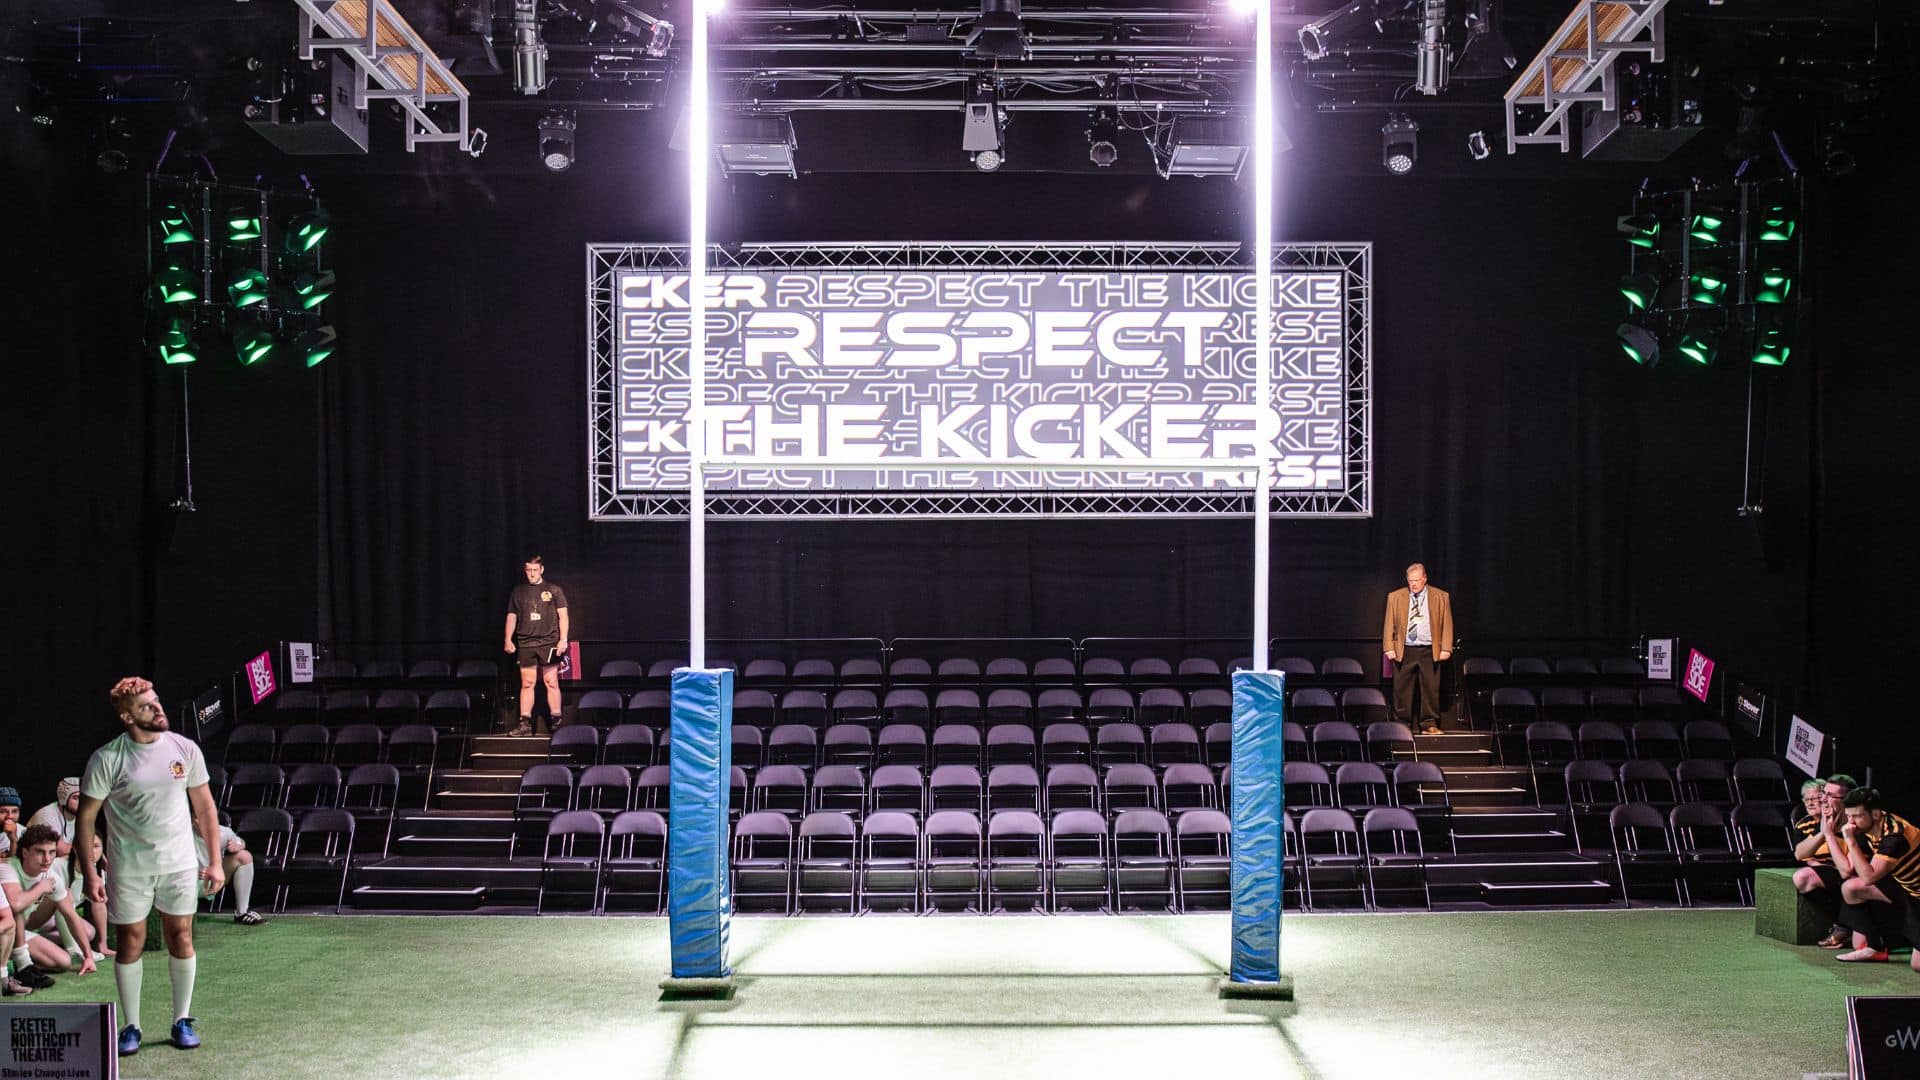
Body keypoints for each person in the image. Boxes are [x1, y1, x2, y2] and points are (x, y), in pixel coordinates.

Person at [74, 676, 224, 1057]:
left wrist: (215, 862)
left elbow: (205, 808)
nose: (158, 709)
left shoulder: (184, 749)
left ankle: (182, 1019)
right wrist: (91, 873)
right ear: (127, 717)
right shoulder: (107, 758)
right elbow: (86, 820)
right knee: (130, 942)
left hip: (179, 863)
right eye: (146, 706)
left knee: (182, 937)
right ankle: (132, 1026)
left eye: (156, 701)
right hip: (130, 867)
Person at [1830, 787, 1920, 968]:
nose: (1851, 822)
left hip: (1916, 894)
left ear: (1876, 814)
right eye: (1849, 816)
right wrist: (1828, 834)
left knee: (1917, 966)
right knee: (1851, 888)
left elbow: (1869, 877)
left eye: (1856, 816)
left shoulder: (1895, 836)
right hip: (1906, 888)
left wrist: (1850, 841)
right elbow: (1846, 871)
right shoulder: (1869, 826)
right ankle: (1876, 946)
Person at [1, 824, 97, 979]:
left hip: (18, 935)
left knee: (63, 962)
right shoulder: (8, 868)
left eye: (52, 852)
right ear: (25, 852)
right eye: (40, 852)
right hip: (3, 931)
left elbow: (71, 916)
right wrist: (41, 888)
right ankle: (19, 963)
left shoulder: (51, 877)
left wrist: (88, 956)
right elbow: (16, 904)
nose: (47, 859)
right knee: (16, 911)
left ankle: (14, 964)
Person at [1381, 562, 1454, 734]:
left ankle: (1429, 723)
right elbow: (1388, 623)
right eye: (1410, 580)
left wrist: (1446, 648)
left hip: (1429, 649)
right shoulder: (1395, 596)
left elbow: (1447, 624)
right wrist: (1388, 647)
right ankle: (1402, 724)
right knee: (1401, 689)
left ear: (1424, 579)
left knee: (1431, 687)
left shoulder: (1440, 596)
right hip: (1405, 649)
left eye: (1416, 580)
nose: (1413, 584)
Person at [503, 554, 570, 737]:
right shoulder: (518, 591)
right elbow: (512, 615)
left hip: (549, 642)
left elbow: (563, 615)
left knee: (551, 681)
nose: (531, 574)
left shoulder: (553, 589)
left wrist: (563, 639)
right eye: (528, 570)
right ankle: (524, 724)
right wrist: (507, 638)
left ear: (541, 569)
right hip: (526, 643)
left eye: (535, 570)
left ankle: (557, 721)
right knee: (527, 683)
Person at [1792, 773, 1857, 948]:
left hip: (1854, 870)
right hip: (1829, 871)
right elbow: (1799, 854)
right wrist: (1824, 832)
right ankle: (1841, 925)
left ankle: (1849, 927)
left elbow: (1848, 868)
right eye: (1807, 800)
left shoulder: (1853, 820)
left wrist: (1831, 831)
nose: (1815, 802)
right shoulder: (1805, 824)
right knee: (1802, 878)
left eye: (1819, 798)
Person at [193, 812, 266, 925]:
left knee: (244, 856)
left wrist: (239, 845)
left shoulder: (223, 832)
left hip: (213, 881)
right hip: (185, 882)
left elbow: (240, 841)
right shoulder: (179, 835)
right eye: (197, 818)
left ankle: (242, 913)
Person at [26, 778, 80, 860]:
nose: (82, 802)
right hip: (38, 862)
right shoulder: (46, 815)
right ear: (63, 799)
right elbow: (59, 850)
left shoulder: (82, 815)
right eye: (76, 798)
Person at [0, 787, 21, 859]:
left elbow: (14, 865)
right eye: (3, 811)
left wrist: (13, 840)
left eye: (14, 811)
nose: (10, 816)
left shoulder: (24, 833)